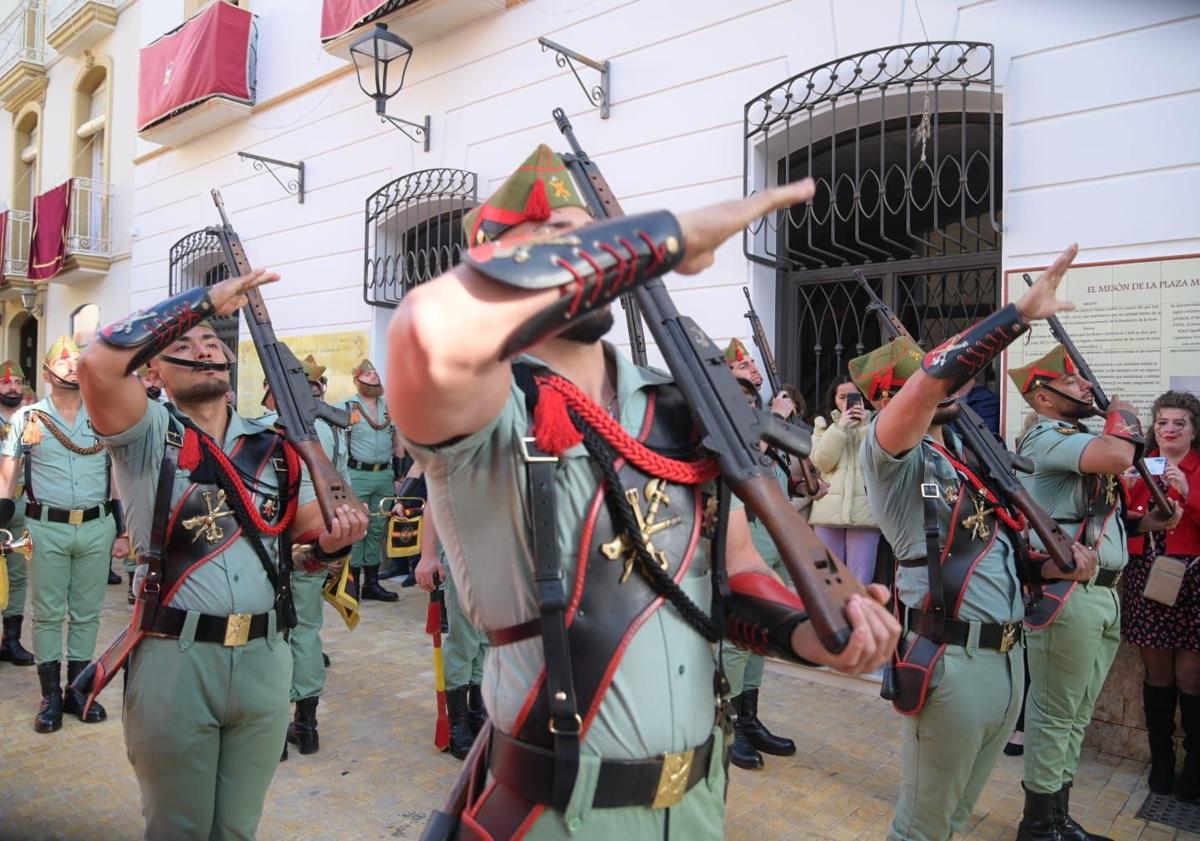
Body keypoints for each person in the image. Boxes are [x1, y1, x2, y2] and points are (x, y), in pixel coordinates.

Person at [386, 144, 897, 839]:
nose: (588, 250)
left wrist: (814, 634)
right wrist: (662, 234)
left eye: (590, 231)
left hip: (697, 800)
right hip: (560, 815)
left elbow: (731, 569)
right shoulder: (482, 404)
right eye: (559, 238)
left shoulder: (676, 407)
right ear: (497, 260)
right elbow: (427, 327)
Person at [77, 279, 367, 840]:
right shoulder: (145, 434)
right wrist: (203, 304)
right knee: (177, 829)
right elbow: (97, 364)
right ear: (153, 372)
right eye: (183, 345)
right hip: (175, 659)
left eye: (212, 342)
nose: (204, 350)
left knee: (238, 829)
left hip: (265, 658)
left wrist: (339, 537)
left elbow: (310, 530)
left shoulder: (276, 447)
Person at [855, 248, 1100, 841]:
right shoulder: (889, 455)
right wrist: (1017, 314)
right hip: (953, 661)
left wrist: (1048, 566)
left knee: (956, 818)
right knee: (923, 825)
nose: (948, 386)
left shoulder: (962, 459)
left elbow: (990, 551)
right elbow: (929, 382)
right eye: (911, 384)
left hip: (1006, 659)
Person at [1010, 345, 1181, 840]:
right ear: (1042, 398)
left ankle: (1058, 817)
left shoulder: (1075, 437)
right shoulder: (1046, 435)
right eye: (1073, 382)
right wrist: (1121, 411)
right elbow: (1117, 452)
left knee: (1076, 714)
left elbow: (1099, 520)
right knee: (1054, 714)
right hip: (1068, 595)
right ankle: (1039, 825)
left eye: (1085, 380)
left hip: (1103, 593)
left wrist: (1150, 521)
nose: (1086, 386)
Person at [0, 337, 126, 733]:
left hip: (95, 525)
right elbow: (9, 473)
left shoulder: (103, 414)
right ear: (47, 370)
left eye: (78, 363)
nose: (73, 368)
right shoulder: (28, 417)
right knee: (49, 613)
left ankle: (78, 690)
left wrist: (123, 528)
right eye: (64, 363)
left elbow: (118, 473)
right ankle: (50, 694)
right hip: (44, 526)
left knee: (88, 613)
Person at [261, 354, 348, 761]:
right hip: (316, 543)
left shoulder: (258, 433)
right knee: (308, 632)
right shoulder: (327, 434)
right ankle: (307, 726)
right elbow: (341, 488)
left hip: (270, 549)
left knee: (271, 638)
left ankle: (276, 734)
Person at [716, 373, 800, 772]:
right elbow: (742, 467)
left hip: (774, 541)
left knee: (761, 638)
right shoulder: (727, 437)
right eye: (742, 399)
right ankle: (729, 726)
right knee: (738, 640)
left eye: (754, 399)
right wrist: (773, 423)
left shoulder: (764, 436)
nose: (751, 407)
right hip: (744, 546)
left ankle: (749, 718)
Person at [1120, 390, 1200, 797]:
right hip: (1147, 575)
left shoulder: (1198, 467)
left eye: (1179, 423)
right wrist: (1128, 488)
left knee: (1191, 676)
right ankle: (1162, 760)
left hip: (1193, 578)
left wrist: (1187, 492)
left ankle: (1195, 765)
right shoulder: (1142, 463)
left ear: (1193, 430)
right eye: (1163, 422)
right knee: (1158, 673)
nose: (1168, 430)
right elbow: (1124, 519)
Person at [414, 502, 489, 760]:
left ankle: (478, 713)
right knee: (465, 639)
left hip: (501, 553)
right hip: (463, 550)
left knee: (490, 640)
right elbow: (434, 502)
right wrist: (428, 555)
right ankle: (457, 722)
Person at [339, 359, 406, 600]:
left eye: (376, 375)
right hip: (356, 474)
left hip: (385, 475)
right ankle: (353, 585)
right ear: (356, 381)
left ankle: (372, 584)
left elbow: (398, 441)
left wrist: (399, 475)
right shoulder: (346, 407)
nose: (374, 378)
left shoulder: (390, 406)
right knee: (357, 528)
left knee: (378, 530)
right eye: (368, 376)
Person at [810, 377, 881, 585]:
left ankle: (856, 619)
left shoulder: (876, 423)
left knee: (860, 581)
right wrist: (840, 427)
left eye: (854, 397)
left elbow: (878, 462)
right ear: (834, 400)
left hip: (865, 513)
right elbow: (821, 463)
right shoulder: (823, 424)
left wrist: (861, 427)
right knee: (827, 581)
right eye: (842, 397)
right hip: (827, 513)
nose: (848, 402)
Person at [0, 360, 33, 666]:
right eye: (6, 382)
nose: (12, 387)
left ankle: (12, 640)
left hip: (22, 505)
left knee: (18, 575)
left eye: (18, 382)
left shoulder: (31, 419)